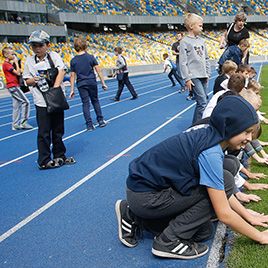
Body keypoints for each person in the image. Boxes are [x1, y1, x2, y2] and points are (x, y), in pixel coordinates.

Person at [115, 96, 268, 260]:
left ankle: (134, 215)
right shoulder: (211, 152)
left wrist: (248, 216)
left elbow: (223, 192)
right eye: (246, 132)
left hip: (144, 192)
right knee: (225, 180)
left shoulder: (210, 135)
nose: (250, 138)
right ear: (230, 127)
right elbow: (223, 212)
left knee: (204, 231)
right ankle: (167, 242)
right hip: (146, 197)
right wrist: (260, 237)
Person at [23, 30, 75, 170]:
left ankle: (60, 155)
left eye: (40, 45)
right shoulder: (29, 61)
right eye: (34, 46)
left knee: (58, 129)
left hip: (56, 98)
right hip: (41, 101)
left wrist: (55, 89)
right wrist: (35, 80)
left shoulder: (54, 56)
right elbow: (26, 80)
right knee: (44, 131)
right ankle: (44, 159)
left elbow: (61, 71)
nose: (37, 49)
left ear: (47, 45)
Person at [69, 37, 107, 131]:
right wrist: (103, 83)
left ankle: (89, 125)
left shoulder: (73, 60)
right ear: (85, 46)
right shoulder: (90, 57)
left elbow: (72, 76)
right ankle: (100, 120)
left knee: (85, 104)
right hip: (91, 82)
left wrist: (72, 90)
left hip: (81, 84)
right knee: (95, 101)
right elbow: (99, 71)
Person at [179, 13, 210, 124]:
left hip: (203, 75)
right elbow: (183, 62)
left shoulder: (202, 41)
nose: (202, 28)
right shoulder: (184, 42)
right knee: (202, 102)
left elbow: (206, 58)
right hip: (194, 76)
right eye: (200, 26)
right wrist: (187, 79)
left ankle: (195, 124)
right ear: (191, 26)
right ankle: (197, 126)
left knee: (202, 101)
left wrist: (208, 73)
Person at [2, 47, 33, 130]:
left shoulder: (8, 64)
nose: (14, 55)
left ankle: (15, 124)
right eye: (12, 54)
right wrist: (16, 62)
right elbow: (18, 73)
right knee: (26, 102)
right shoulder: (6, 65)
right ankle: (23, 122)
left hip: (13, 86)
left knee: (16, 105)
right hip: (13, 86)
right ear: (6, 55)